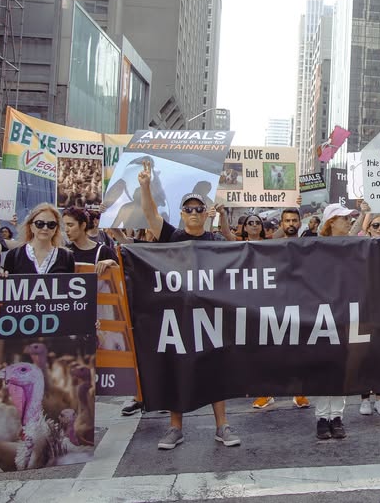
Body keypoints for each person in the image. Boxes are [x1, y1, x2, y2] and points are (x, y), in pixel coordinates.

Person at [136, 160, 240, 450]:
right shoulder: (171, 236)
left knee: (214, 367)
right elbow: (149, 213)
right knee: (176, 366)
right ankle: (175, 428)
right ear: (181, 214)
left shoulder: (216, 241)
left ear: (206, 214)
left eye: (199, 209)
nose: (194, 213)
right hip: (176, 316)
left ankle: (222, 426)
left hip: (210, 316)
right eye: (188, 209)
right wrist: (145, 185)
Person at [253, 208, 310, 411]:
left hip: (302, 304)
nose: (291, 223)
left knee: (300, 350)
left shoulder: (309, 245)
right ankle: (267, 393)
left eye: (294, 220)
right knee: (272, 350)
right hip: (276, 303)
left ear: (300, 221)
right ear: (281, 224)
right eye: (287, 221)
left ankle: (300, 392)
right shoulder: (272, 246)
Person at [311, 201, 357, 439]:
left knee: (341, 366)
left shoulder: (355, 246)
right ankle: (322, 417)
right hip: (321, 314)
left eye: (349, 218)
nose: (348, 222)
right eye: (344, 218)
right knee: (323, 366)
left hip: (346, 313)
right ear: (331, 223)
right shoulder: (315, 248)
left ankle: (337, 417)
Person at [359, 213, 380, 416]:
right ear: (369, 227)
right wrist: (365, 213)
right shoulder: (361, 246)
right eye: (376, 225)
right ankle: (364, 399)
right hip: (364, 308)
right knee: (363, 355)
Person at [0, 203, 75, 275]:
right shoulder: (13, 255)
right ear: (31, 226)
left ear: (56, 228)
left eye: (51, 224)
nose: (45, 228)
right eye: (39, 224)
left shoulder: (66, 257)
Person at [62, 206, 118, 272]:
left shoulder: (104, 251)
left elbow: (122, 276)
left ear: (83, 225)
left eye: (70, 225)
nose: (66, 230)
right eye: (64, 225)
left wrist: (113, 263)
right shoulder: (64, 253)